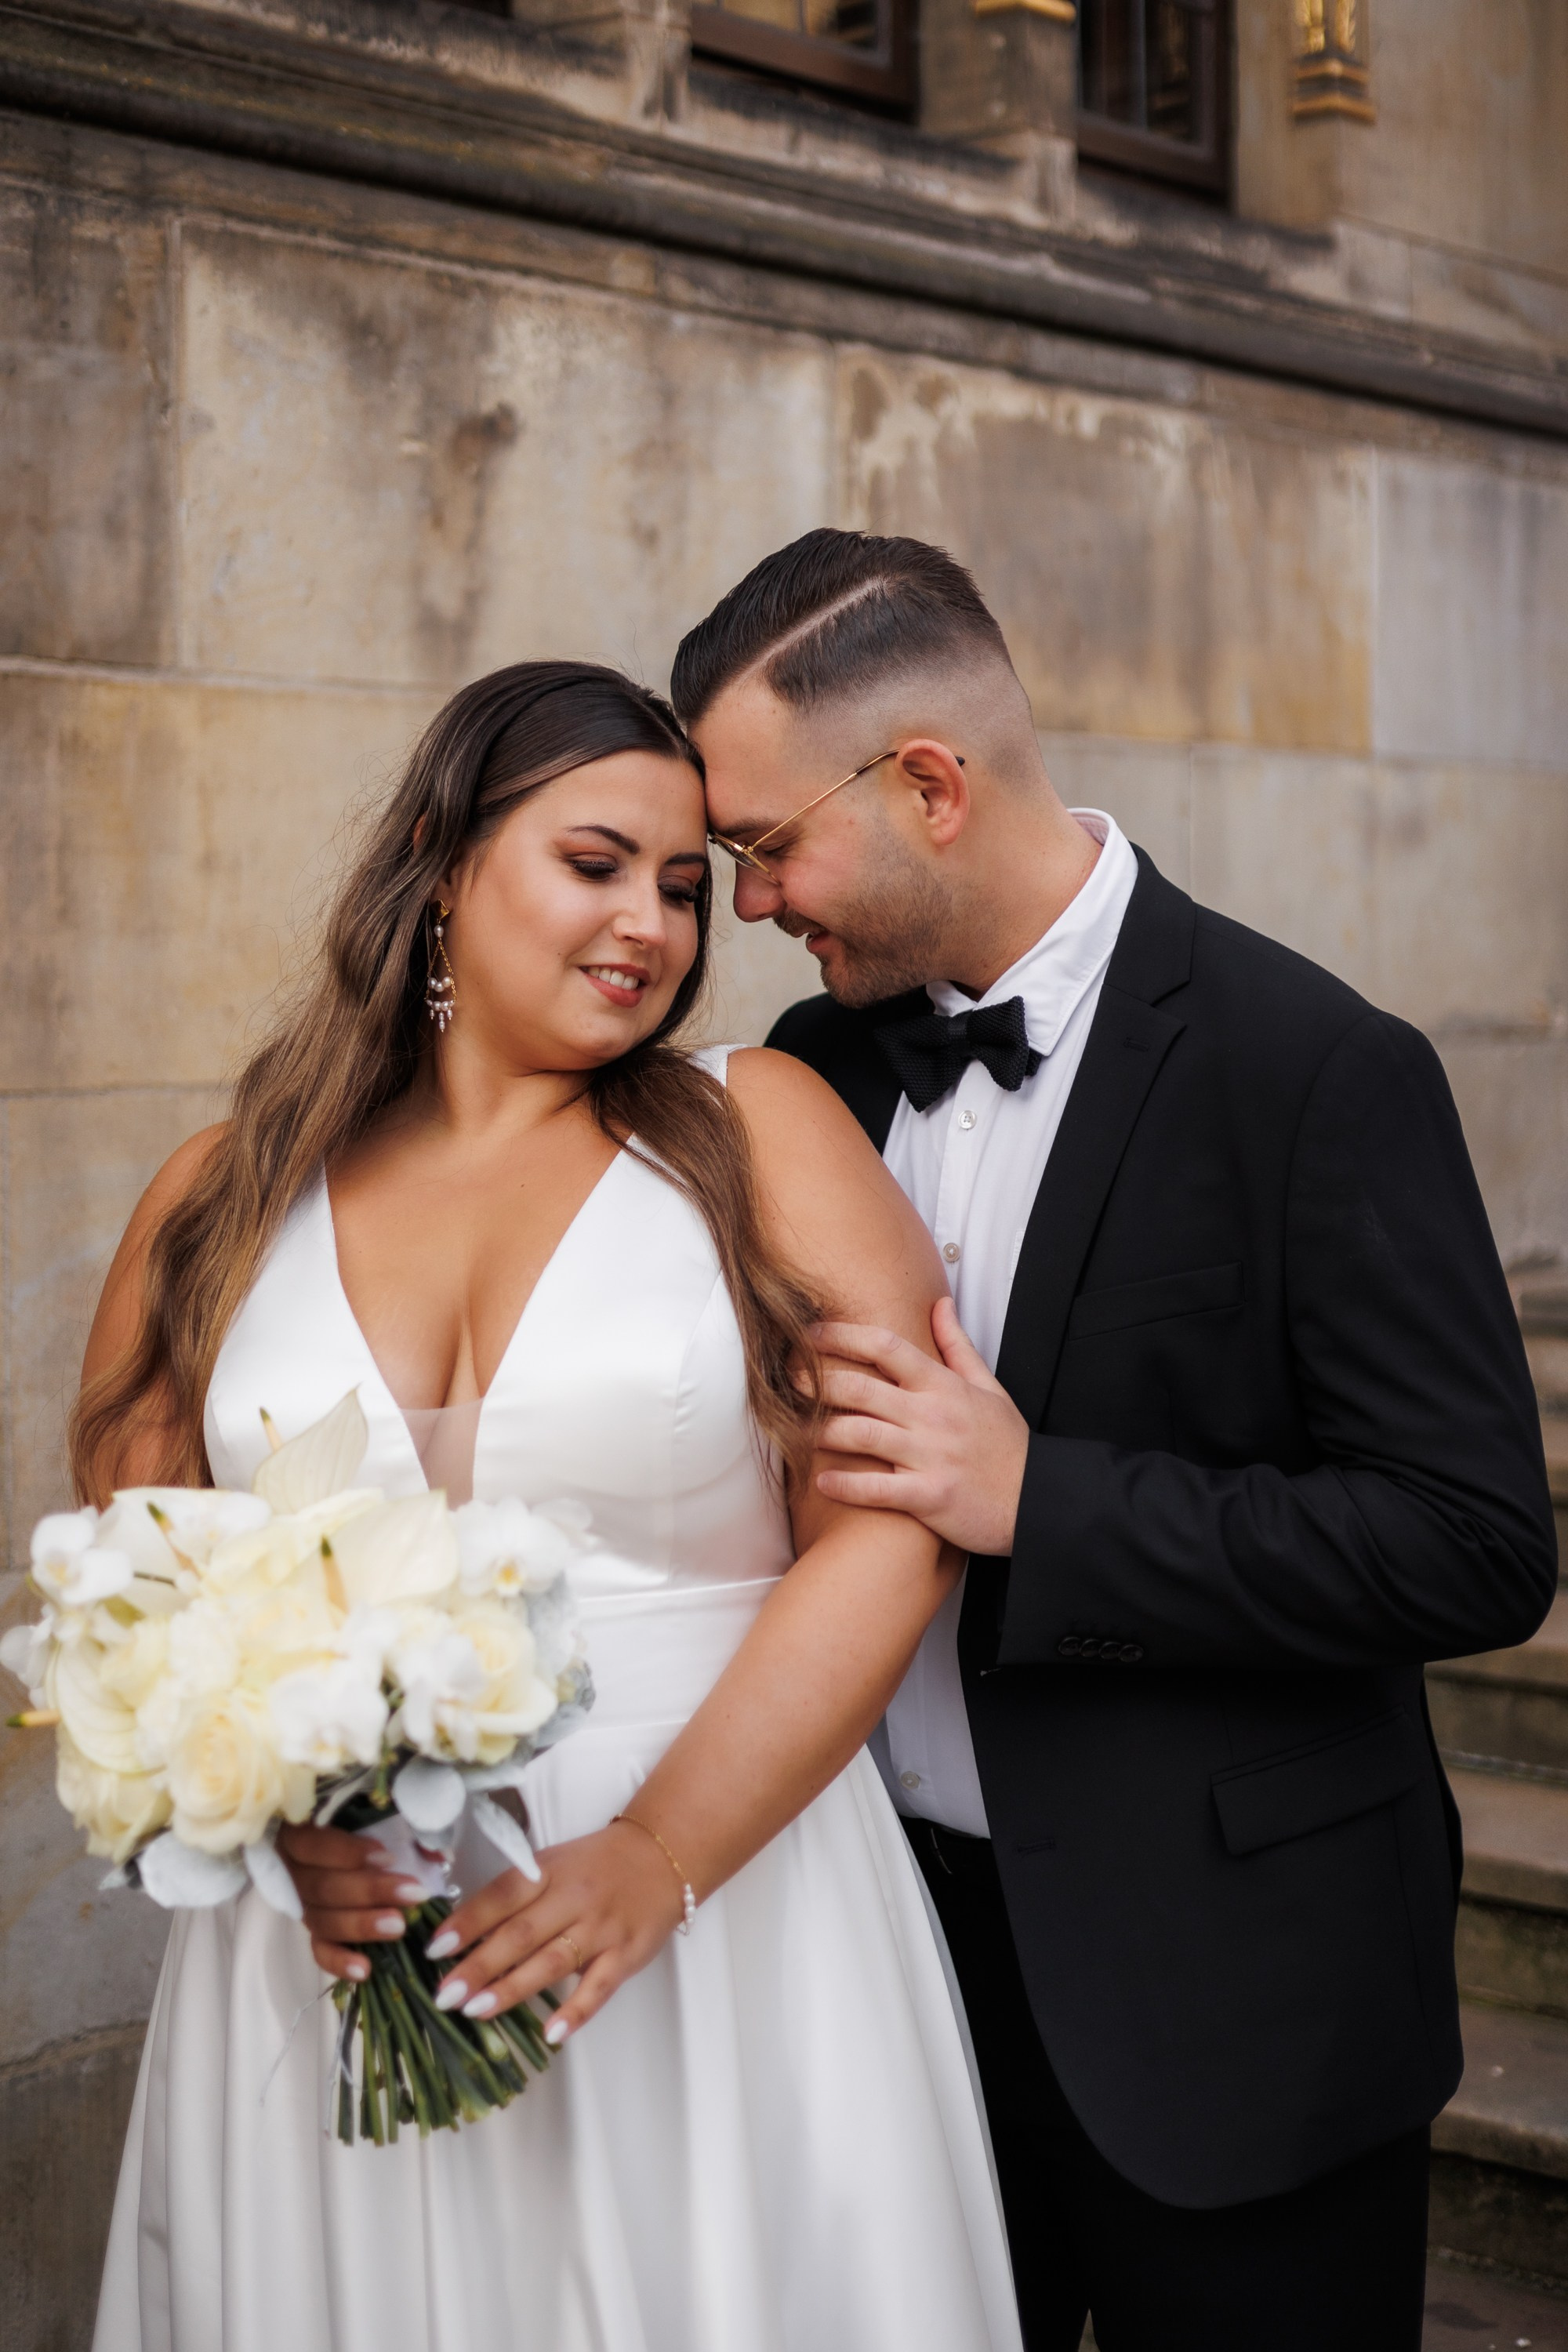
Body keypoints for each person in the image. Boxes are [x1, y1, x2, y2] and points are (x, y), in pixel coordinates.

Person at [671, 530, 1559, 2352]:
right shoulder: (808, 1072)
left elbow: (1472, 1540)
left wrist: (1038, 1500)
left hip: (1232, 2015)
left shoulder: (1313, 1068)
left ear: (927, 782)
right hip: (888, 1984)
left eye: (761, 847)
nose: (745, 906)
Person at [80, 662, 1025, 2352]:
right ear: (442, 862)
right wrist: (274, 1819)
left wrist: (654, 1860)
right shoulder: (221, 1195)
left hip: (722, 1917)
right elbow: (135, 1576)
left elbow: (895, 1525)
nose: (652, 928)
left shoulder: (758, 1131)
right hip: (327, 1940)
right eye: (595, 865)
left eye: (680, 887)